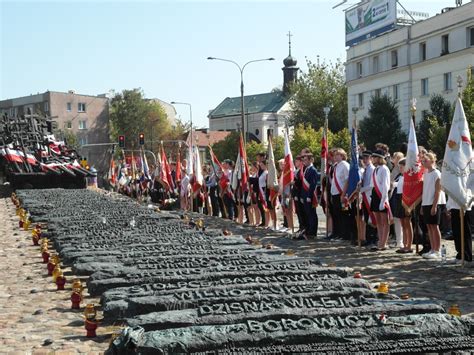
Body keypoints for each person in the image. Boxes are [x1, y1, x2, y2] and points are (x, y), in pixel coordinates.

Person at [420, 152, 446, 259]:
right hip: (426, 202)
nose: (423, 163)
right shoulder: (425, 174)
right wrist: (422, 205)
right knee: (429, 227)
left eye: (425, 160)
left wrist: (434, 206)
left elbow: (437, 191)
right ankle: (432, 248)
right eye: (423, 161)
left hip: (435, 203)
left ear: (432, 160)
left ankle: (437, 249)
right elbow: (424, 190)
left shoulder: (437, 173)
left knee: (435, 227)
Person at [370, 149, 391, 251]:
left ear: (379, 158)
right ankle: (380, 240)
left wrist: (383, 200)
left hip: (381, 195)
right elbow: (372, 184)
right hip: (375, 195)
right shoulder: (375, 169)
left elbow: (386, 186)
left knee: (384, 221)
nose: (372, 159)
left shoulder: (384, 169)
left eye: (374, 157)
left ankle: (384, 242)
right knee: (378, 221)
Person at [393, 159, 414, 253]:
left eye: (402, 167)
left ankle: (409, 245)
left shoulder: (409, 176)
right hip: (399, 199)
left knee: (407, 223)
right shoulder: (401, 176)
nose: (400, 168)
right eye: (399, 167)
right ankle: (405, 244)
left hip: (406, 200)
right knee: (403, 224)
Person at [330, 148, 350, 240]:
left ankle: (344, 234)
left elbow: (347, 180)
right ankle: (337, 233)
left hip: (341, 192)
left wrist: (344, 194)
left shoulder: (345, 165)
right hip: (334, 193)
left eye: (337, 155)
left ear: (342, 155)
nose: (335, 156)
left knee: (343, 215)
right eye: (334, 155)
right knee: (336, 214)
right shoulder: (336, 165)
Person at [446, 197, 473, 265]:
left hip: (465, 206)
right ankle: (460, 255)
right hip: (454, 206)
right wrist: (449, 206)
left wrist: (465, 204)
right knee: (456, 232)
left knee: (465, 232)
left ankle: (467, 257)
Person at [359, 150, 377, 247]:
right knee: (366, 218)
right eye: (364, 158)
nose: (365, 160)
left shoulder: (372, 169)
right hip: (365, 196)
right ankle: (368, 238)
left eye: (367, 158)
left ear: (371, 158)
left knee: (372, 218)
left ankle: (373, 239)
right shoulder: (365, 169)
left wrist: (361, 189)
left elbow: (371, 185)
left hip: (369, 196)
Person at [300, 153, 319, 239]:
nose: (304, 162)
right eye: (303, 160)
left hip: (309, 196)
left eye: (306, 160)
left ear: (311, 160)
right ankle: (308, 230)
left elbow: (313, 184)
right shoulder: (306, 169)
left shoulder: (313, 170)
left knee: (312, 214)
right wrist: (302, 196)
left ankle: (313, 232)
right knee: (307, 214)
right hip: (304, 195)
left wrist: (309, 196)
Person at [390, 152, 405, 249]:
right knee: (396, 220)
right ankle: (398, 240)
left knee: (403, 222)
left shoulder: (404, 176)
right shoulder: (398, 174)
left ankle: (402, 241)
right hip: (395, 198)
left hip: (402, 200)